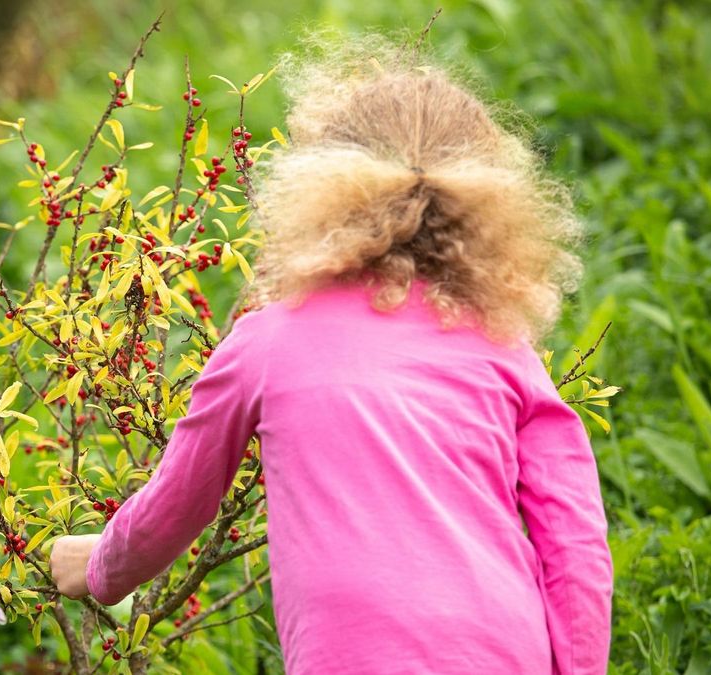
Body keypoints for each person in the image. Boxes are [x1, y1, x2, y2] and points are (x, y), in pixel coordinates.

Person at [50, 37, 614, 674]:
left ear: (320, 184)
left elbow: (178, 503)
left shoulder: (268, 341)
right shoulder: (505, 352)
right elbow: (575, 544)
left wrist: (99, 567)